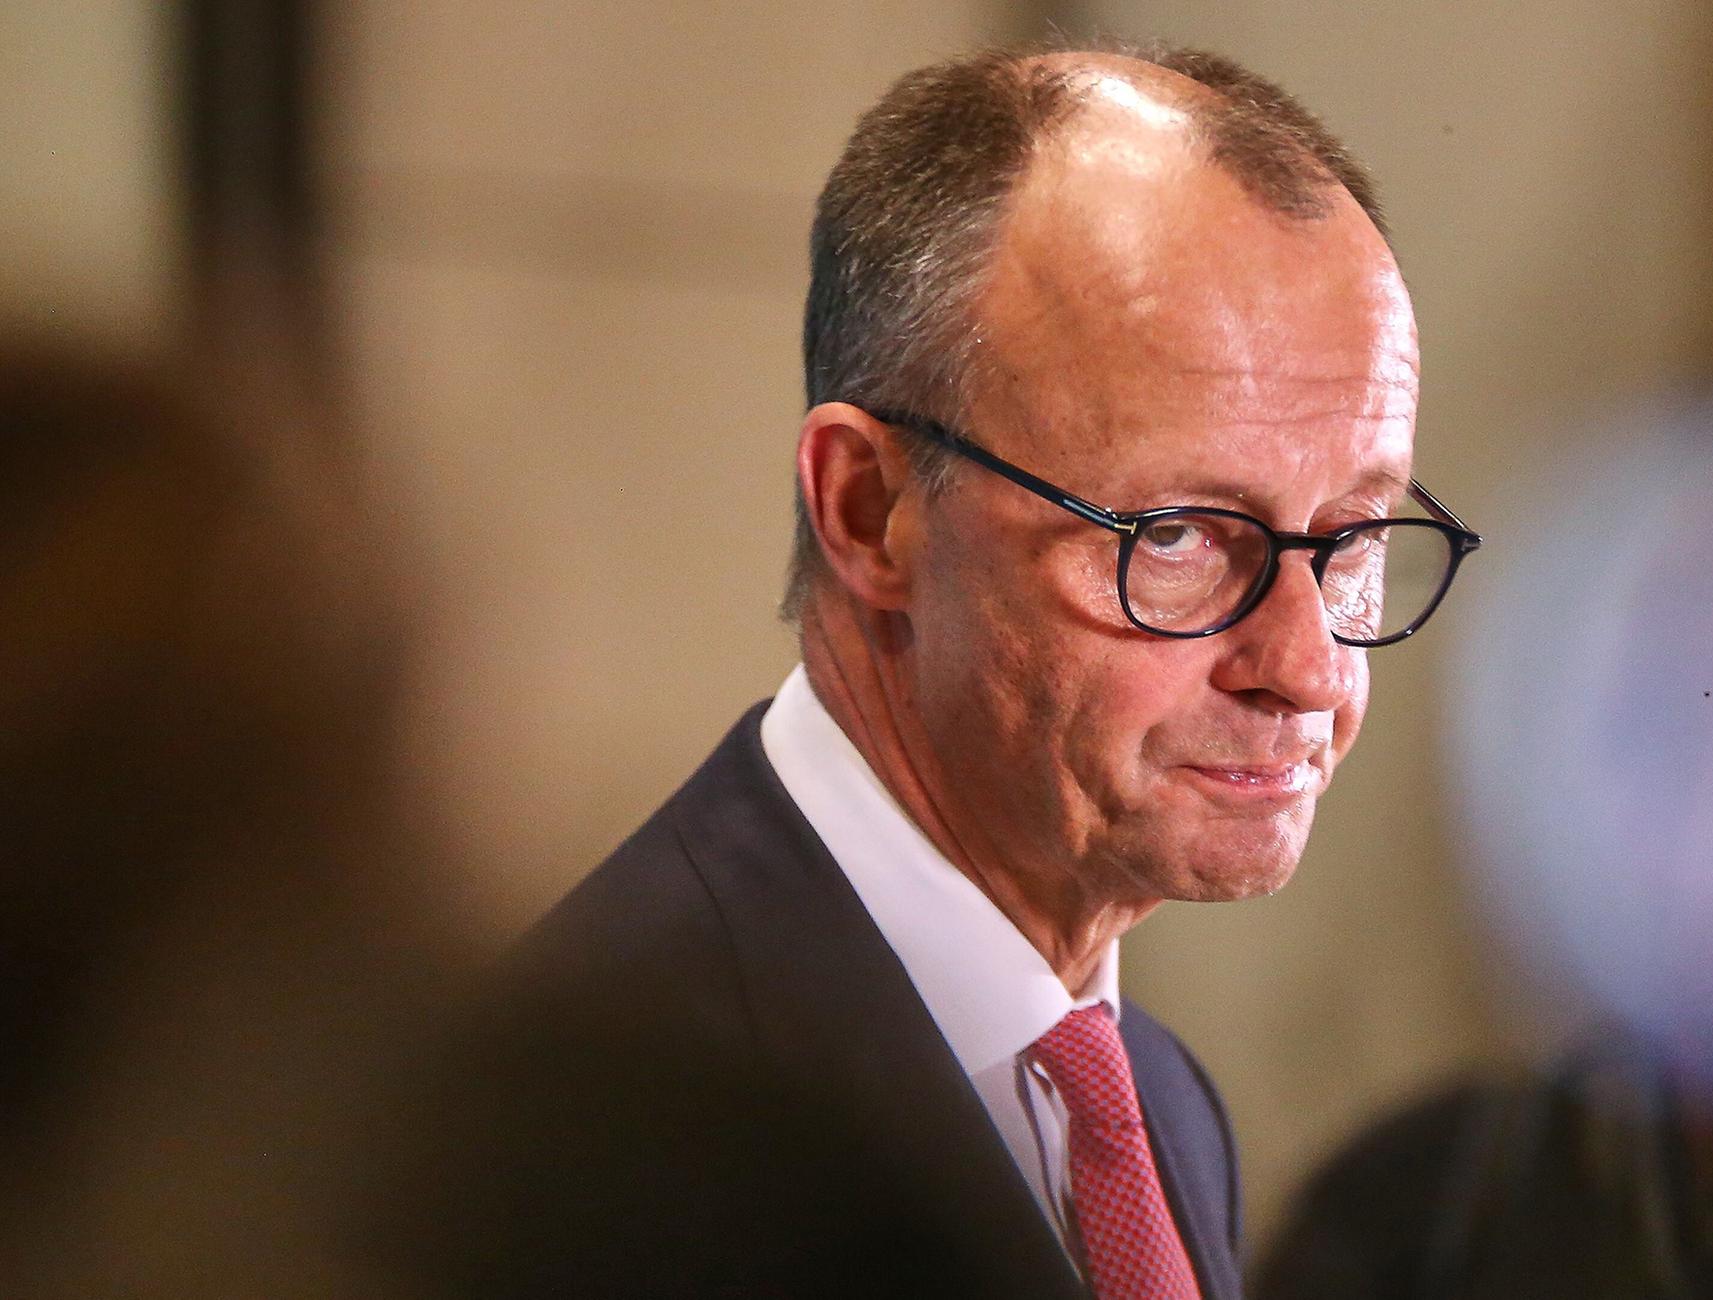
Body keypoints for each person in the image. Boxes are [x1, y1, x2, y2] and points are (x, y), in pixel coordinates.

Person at [423, 40, 1481, 1300]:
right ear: (868, 511)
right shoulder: (583, 1150)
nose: (1304, 666)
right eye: (1180, 537)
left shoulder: (1158, 1100)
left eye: (1353, 537)